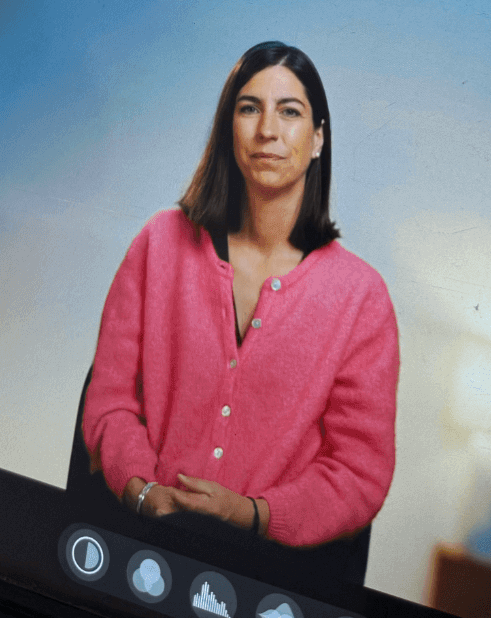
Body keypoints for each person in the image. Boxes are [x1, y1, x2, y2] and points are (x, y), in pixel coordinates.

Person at [81, 41, 399, 555]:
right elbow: (109, 400)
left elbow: (359, 473)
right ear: (229, 131)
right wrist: (145, 494)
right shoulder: (159, 243)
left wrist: (252, 516)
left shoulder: (363, 299)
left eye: (289, 112)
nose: (267, 130)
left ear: (318, 139)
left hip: (264, 580)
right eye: (249, 108)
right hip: (137, 544)